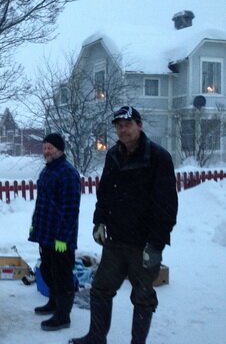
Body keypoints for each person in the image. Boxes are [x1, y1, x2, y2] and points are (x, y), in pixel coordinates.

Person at [68, 106, 178, 344]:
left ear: (139, 125)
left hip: (144, 243)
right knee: (100, 290)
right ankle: (96, 337)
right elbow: (104, 192)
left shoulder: (157, 157)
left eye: (127, 124)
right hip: (116, 241)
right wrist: (99, 220)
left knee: (142, 297)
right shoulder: (113, 155)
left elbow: (167, 205)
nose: (123, 130)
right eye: (118, 126)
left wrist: (156, 244)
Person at [29, 133, 81, 331]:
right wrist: (35, 224)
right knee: (48, 271)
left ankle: (63, 316)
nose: (46, 151)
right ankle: (53, 303)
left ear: (60, 149)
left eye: (50, 147)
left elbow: (70, 209)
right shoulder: (47, 171)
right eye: (44, 147)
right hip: (45, 233)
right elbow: (41, 202)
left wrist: (63, 237)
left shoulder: (68, 173)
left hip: (61, 238)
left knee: (62, 276)